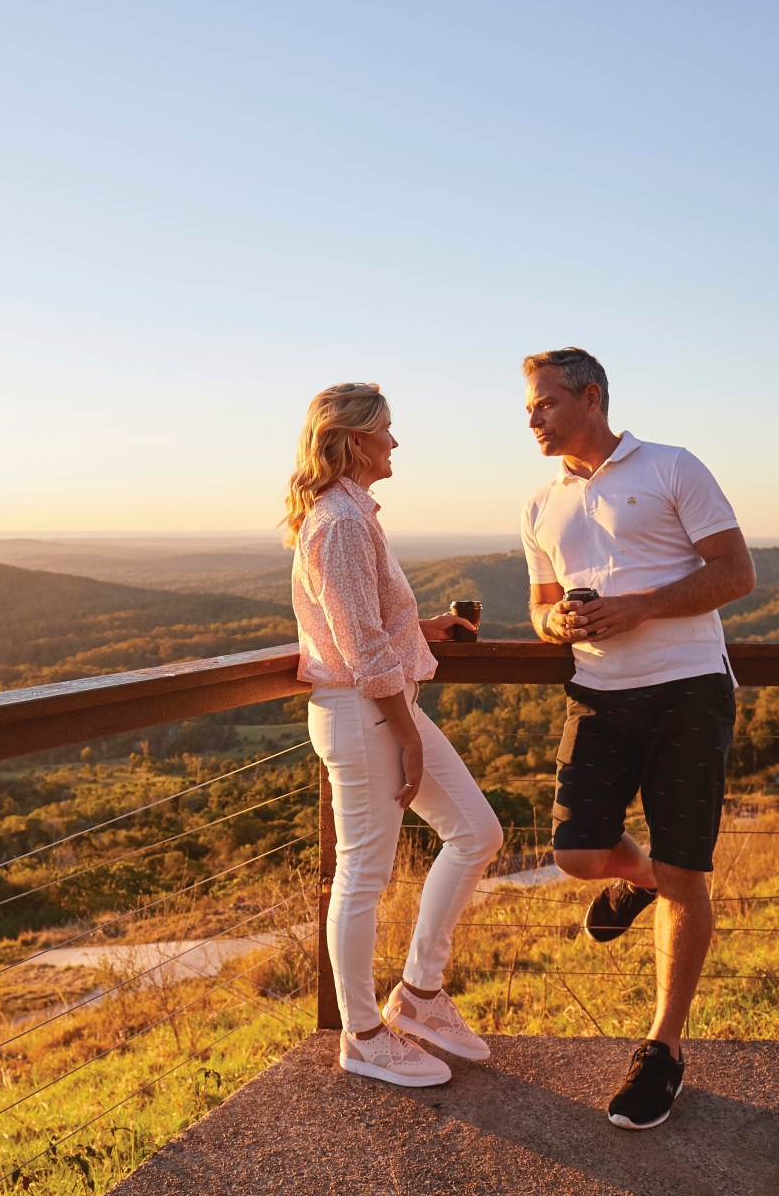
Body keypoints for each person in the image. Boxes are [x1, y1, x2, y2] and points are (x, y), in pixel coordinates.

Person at [519, 347, 756, 1130]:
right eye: (530, 406)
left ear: (591, 398)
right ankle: (642, 878)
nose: (533, 418)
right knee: (578, 855)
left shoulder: (672, 466)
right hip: (596, 695)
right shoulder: (539, 505)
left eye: (546, 403)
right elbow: (541, 607)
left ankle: (664, 1047)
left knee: (688, 871)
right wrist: (554, 622)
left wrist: (643, 607)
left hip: (688, 691)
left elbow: (735, 573)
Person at [284, 381, 505, 1088]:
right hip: (365, 712)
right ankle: (365, 1037)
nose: (396, 442)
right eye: (386, 430)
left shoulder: (351, 514)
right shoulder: (341, 522)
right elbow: (358, 647)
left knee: (477, 831)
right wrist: (407, 734)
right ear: (354, 441)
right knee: (363, 879)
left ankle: (419, 995)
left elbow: (370, 625)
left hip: (379, 704)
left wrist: (423, 629)